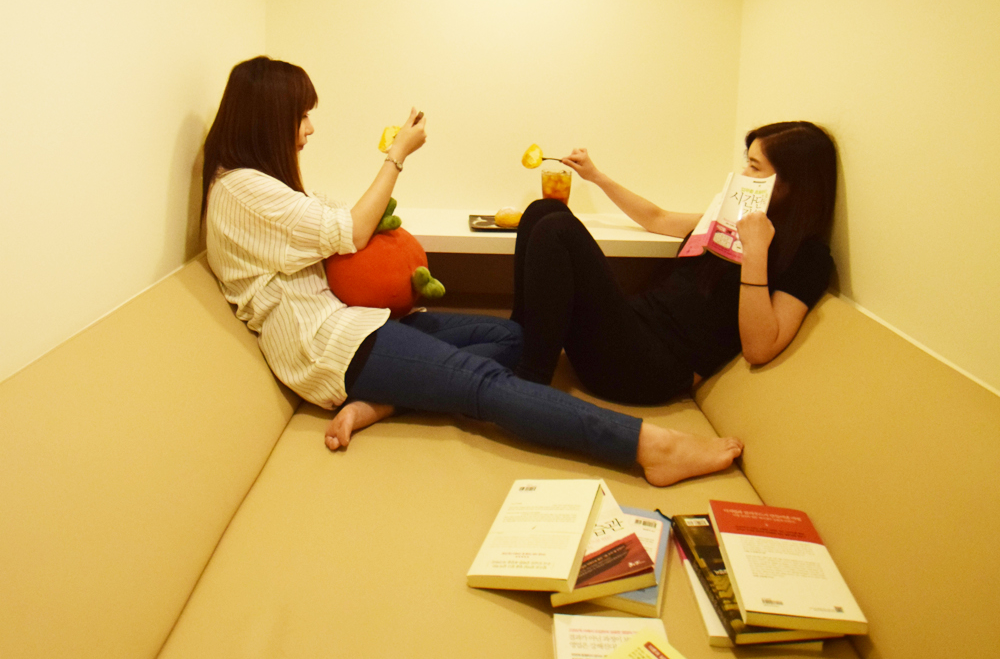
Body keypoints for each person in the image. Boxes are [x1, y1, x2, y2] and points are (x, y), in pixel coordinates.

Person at [201, 56, 742, 486]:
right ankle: (650, 446)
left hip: (354, 323)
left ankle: (389, 396)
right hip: (327, 347)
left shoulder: (263, 183)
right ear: (269, 118)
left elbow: (336, 217)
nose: (310, 128)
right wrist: (396, 155)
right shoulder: (241, 190)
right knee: (486, 385)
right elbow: (350, 230)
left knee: (518, 338)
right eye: (301, 115)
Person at [510, 122, 837, 403]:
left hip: (652, 367)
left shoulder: (808, 256)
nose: (743, 175)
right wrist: (596, 176)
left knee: (557, 229)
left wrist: (755, 252)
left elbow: (759, 348)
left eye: (754, 167)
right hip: (631, 326)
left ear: (790, 183)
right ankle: (514, 342)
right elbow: (658, 218)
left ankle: (529, 387)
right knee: (544, 210)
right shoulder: (732, 217)